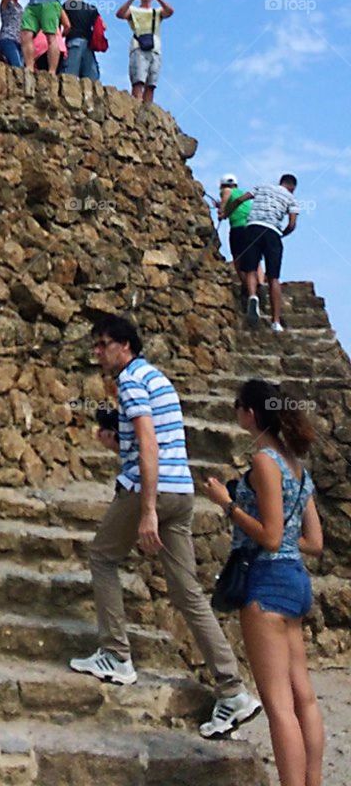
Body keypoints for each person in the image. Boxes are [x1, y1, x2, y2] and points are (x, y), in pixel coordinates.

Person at [70, 315, 261, 739]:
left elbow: (150, 445)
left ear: (124, 345)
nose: (97, 353)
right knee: (187, 592)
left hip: (149, 491)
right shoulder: (156, 378)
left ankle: (116, 656)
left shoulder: (130, 382)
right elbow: (150, 439)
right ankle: (233, 691)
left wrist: (148, 509)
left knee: (101, 557)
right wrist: (116, 442)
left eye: (103, 345)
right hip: (182, 491)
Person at [203, 380, 323, 786]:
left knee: (278, 704)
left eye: (238, 405)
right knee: (303, 696)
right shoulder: (297, 466)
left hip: (267, 582)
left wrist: (228, 504)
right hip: (296, 581)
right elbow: (315, 542)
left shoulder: (265, 462)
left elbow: (270, 536)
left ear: (251, 413)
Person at [228, 175, 300, 332]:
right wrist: (282, 234)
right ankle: (276, 322)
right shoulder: (292, 199)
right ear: (292, 188)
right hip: (272, 232)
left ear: (280, 182)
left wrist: (226, 212)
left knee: (250, 268)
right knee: (274, 277)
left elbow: (240, 200)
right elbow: (292, 224)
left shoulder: (263, 187)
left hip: (253, 227)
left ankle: (253, 295)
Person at [116, 0, 174, 103]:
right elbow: (120, 14)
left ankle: (148, 108)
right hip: (138, 47)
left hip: (155, 49)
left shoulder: (157, 12)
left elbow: (170, 11)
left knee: (151, 84)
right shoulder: (133, 10)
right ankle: (136, 104)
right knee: (138, 81)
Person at [218, 173, 264, 310]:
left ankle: (247, 286)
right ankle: (261, 283)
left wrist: (221, 212)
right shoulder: (241, 193)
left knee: (238, 257)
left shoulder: (226, 191)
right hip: (251, 226)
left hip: (238, 227)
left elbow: (225, 204)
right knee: (254, 258)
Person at [62, 0, 101, 81]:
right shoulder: (92, 8)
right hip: (88, 45)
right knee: (91, 78)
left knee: (70, 75)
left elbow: (64, 24)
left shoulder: (67, 5)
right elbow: (103, 26)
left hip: (73, 42)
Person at [0, 0, 25, 68]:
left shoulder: (19, 6)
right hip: (8, 37)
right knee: (17, 65)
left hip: (19, 40)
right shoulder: (6, 1)